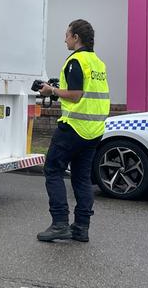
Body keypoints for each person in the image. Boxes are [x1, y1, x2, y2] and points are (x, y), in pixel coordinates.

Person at [35, 19, 110, 243]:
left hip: (73, 127)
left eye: (67, 34)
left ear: (76, 37)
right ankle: (81, 228)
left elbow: (76, 94)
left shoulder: (75, 61)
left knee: (53, 170)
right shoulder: (97, 63)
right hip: (94, 130)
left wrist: (52, 90)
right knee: (81, 178)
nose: (64, 39)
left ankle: (59, 224)